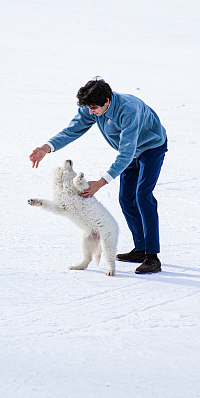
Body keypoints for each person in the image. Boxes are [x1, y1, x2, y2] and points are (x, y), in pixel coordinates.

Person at [29, 77, 167, 274]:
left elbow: (126, 152)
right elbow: (72, 130)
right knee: (126, 199)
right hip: (129, 152)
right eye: (88, 108)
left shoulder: (129, 110)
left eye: (94, 108)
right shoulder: (91, 108)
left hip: (151, 147)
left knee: (143, 195)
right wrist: (46, 147)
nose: (91, 112)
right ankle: (140, 249)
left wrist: (101, 182)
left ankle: (152, 257)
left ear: (107, 101)